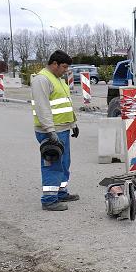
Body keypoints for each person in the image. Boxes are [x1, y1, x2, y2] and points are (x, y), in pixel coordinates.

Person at [31, 50, 79, 211]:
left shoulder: (57, 79)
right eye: (64, 67)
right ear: (54, 64)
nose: (66, 70)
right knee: (52, 164)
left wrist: (73, 124)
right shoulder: (42, 80)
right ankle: (49, 199)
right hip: (50, 131)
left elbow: (64, 104)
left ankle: (61, 192)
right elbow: (42, 107)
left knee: (64, 162)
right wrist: (50, 130)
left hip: (62, 129)